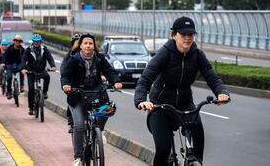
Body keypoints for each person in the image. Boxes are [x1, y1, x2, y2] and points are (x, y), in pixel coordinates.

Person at [134, 16, 231, 166]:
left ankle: (196, 162)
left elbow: (211, 76)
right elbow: (146, 78)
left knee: (198, 133)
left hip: (185, 104)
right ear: (174, 35)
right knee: (164, 148)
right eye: (183, 34)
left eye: (190, 35)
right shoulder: (165, 53)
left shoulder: (197, 55)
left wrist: (221, 92)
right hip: (160, 106)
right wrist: (141, 100)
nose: (187, 38)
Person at [60, 33, 123, 166]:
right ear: (81, 46)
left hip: (96, 94)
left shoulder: (100, 59)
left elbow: (109, 71)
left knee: (109, 108)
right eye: (85, 43)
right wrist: (66, 84)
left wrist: (116, 81)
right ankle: (78, 157)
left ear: (94, 46)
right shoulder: (74, 59)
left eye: (90, 43)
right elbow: (65, 74)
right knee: (79, 125)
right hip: (77, 95)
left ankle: (99, 130)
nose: (88, 45)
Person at [21, 34, 57, 115]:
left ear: (40, 42)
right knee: (31, 89)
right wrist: (23, 68)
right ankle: (31, 108)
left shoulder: (44, 49)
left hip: (41, 70)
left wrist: (53, 66)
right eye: (35, 41)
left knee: (47, 76)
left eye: (38, 42)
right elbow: (24, 59)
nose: (36, 43)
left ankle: (44, 92)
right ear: (33, 42)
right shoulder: (28, 50)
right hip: (31, 71)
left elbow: (50, 58)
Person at [1, 34, 25, 99]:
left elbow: (25, 58)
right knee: (9, 77)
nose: (17, 42)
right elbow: (4, 56)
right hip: (9, 64)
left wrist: (25, 64)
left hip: (18, 64)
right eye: (16, 40)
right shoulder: (9, 48)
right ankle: (9, 92)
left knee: (22, 71)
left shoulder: (22, 49)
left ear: (20, 42)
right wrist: (3, 63)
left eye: (19, 41)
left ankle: (21, 85)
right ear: (14, 41)